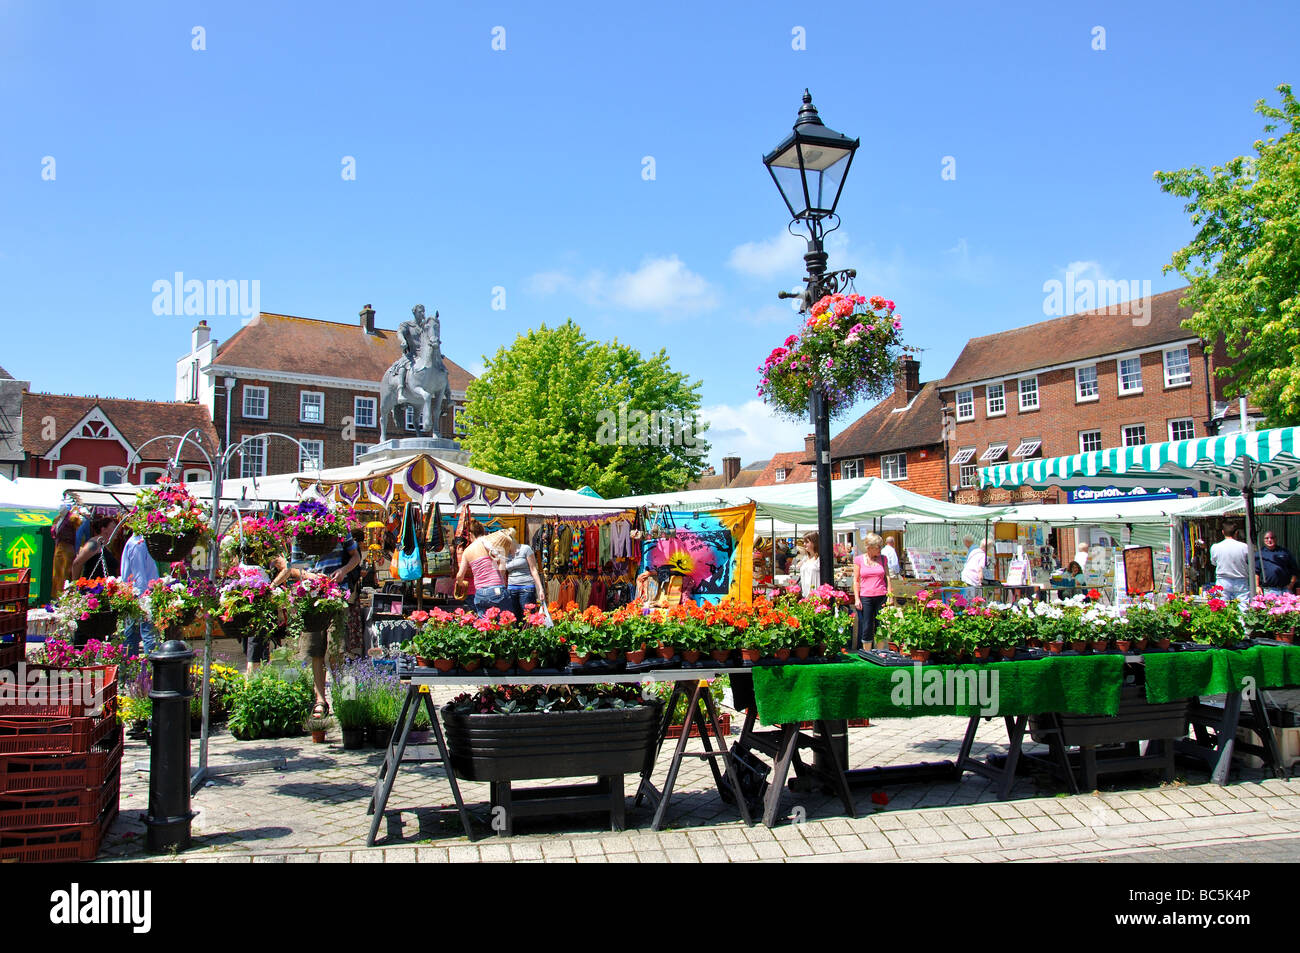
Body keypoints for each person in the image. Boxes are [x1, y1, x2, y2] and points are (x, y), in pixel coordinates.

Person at [283, 525, 361, 717]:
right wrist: (310, 576)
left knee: (337, 648)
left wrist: (343, 570)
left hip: (335, 595)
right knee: (316, 650)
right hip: (310, 597)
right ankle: (320, 700)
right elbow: (294, 568)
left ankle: (344, 698)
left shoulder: (340, 529)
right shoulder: (300, 534)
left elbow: (356, 557)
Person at [119, 529, 160, 658]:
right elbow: (139, 574)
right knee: (148, 636)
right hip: (141, 596)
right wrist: (144, 599)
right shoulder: (138, 544)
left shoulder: (141, 543)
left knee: (132, 634)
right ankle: (149, 672)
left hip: (139, 594)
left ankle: (129, 670)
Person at [456, 526, 512, 614]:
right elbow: (501, 568)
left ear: (470, 535)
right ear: (483, 532)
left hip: (480, 592)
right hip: (496, 588)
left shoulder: (467, 551)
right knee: (504, 622)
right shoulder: (490, 544)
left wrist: (460, 583)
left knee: (483, 624)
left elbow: (459, 575)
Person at [853, 533, 890, 650]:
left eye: (881, 546)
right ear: (869, 547)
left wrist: (890, 595)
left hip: (881, 594)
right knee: (867, 625)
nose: (880, 549)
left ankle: (880, 651)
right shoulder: (859, 560)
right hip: (866, 596)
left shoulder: (883, 559)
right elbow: (856, 580)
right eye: (877, 547)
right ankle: (867, 652)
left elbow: (887, 577)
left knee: (881, 625)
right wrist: (857, 598)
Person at [504, 531, 546, 619]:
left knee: (529, 618)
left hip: (526, 587)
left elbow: (533, 569)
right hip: (511, 589)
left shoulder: (525, 549)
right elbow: (502, 572)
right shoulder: (505, 554)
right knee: (514, 619)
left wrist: (540, 589)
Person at [1210, 523, 1251, 602]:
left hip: (1223, 580)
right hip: (1241, 580)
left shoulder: (1215, 547)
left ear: (1223, 532)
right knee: (1243, 607)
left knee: (1221, 605)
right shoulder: (1245, 547)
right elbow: (1249, 562)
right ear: (1236, 532)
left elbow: (1214, 563)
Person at [1255, 531, 1298, 596]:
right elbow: (1256, 572)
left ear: (1276, 539)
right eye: (1267, 538)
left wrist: (1291, 584)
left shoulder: (1284, 552)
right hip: (1269, 590)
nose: (1269, 540)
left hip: (1285, 589)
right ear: (1263, 540)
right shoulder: (1259, 554)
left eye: (1272, 538)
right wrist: (1257, 586)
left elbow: (1294, 569)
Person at [797, 532, 821, 597]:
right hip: (805, 595)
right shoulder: (805, 559)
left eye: (807, 542)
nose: (804, 544)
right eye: (804, 542)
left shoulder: (819, 559)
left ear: (814, 543)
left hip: (817, 596)